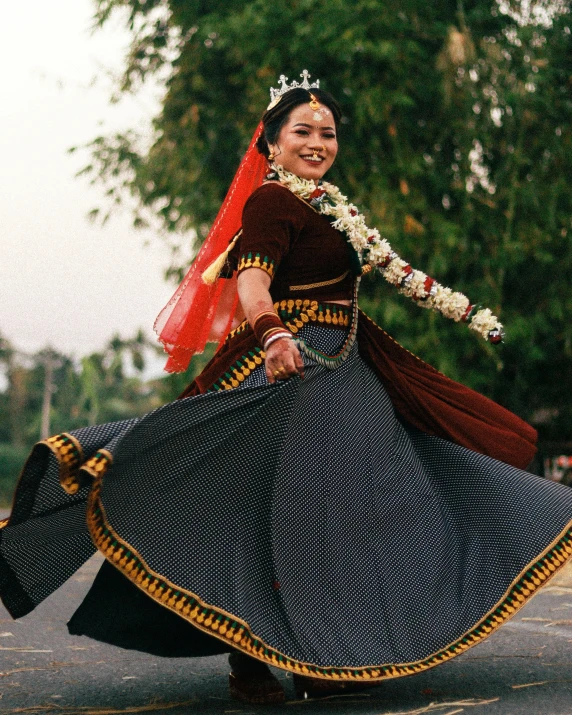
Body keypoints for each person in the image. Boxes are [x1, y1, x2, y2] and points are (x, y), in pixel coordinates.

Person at [1, 72, 572, 706]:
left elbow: (397, 271)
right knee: (275, 520)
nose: (317, 142)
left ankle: (326, 653)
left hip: (347, 372)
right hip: (293, 373)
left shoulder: (334, 206)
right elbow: (251, 282)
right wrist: (275, 336)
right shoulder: (271, 204)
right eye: (302, 131)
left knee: (364, 512)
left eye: (327, 133)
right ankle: (257, 661)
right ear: (271, 144)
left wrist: (465, 313)